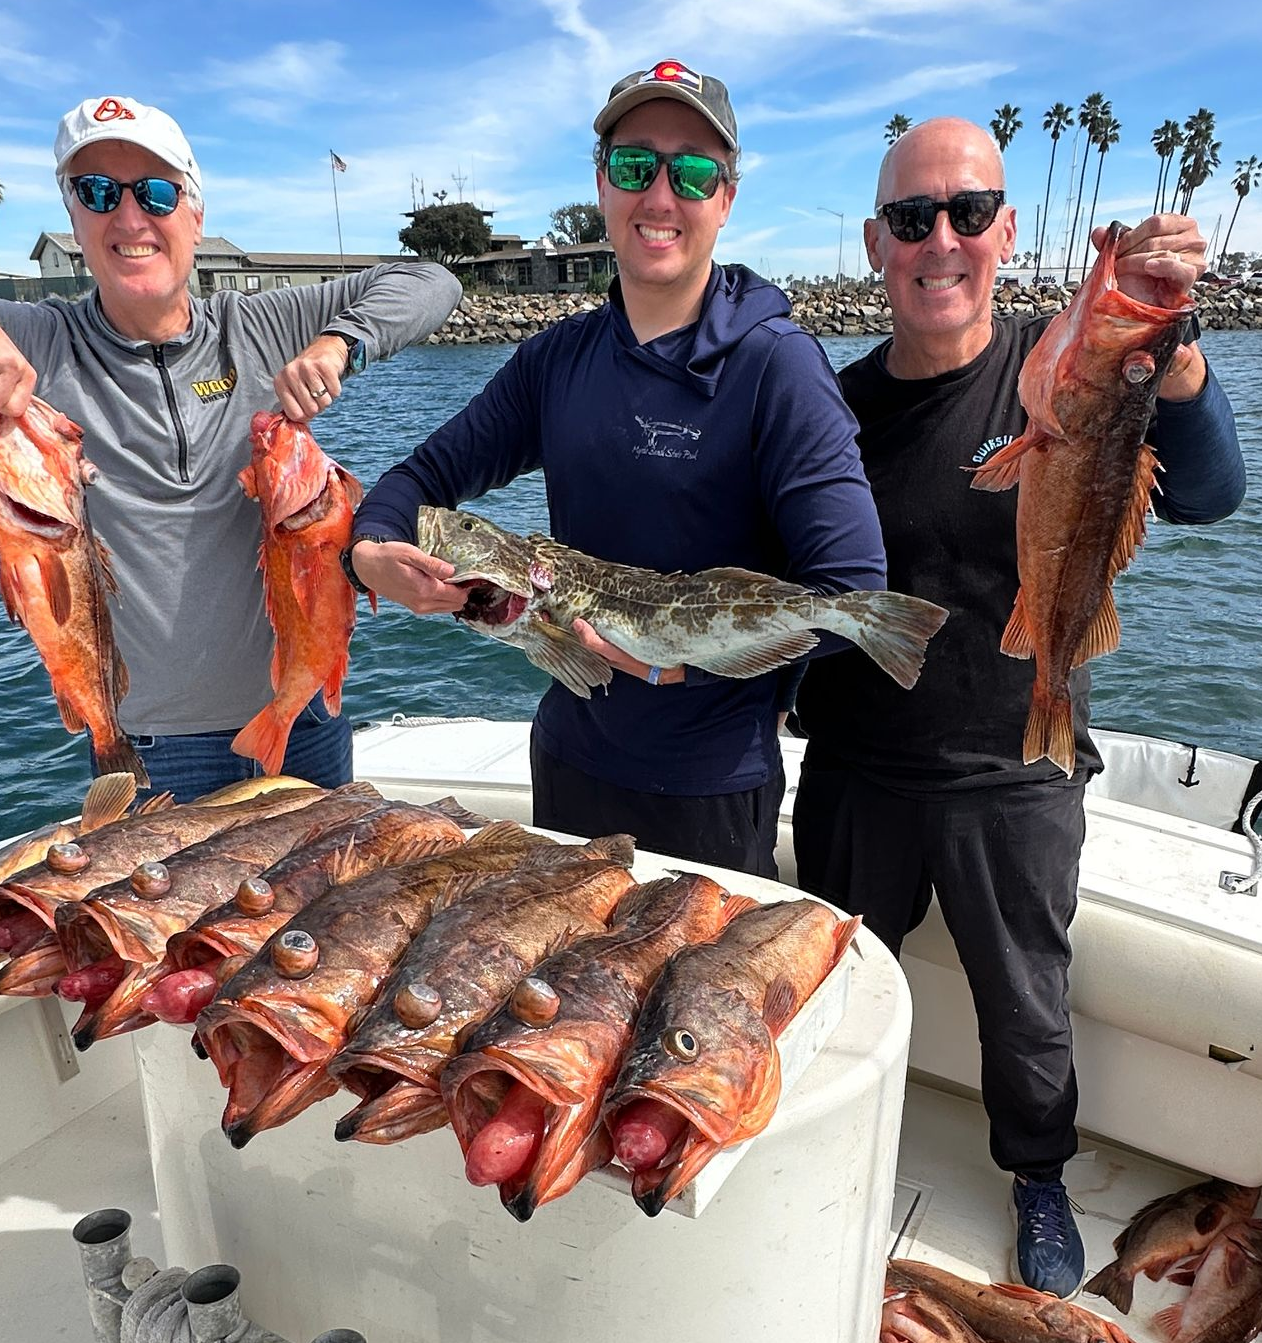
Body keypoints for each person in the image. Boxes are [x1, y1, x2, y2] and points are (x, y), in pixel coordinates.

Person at [790, 118, 1246, 1296]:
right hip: (858, 761)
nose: (941, 239)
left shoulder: (1067, 375)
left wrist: (1173, 358)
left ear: (1006, 233)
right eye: (911, 219)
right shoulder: (828, 409)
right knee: (835, 983)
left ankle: (1038, 1177)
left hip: (1017, 764)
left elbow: (1208, 491)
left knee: (1027, 1003)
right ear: (876, 245)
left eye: (968, 212)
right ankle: (820, 1153)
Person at [0, 95, 460, 796]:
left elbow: (431, 280)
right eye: (97, 192)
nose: (129, 217)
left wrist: (341, 345)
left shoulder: (264, 324)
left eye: (155, 192)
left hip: (304, 718)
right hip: (153, 751)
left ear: (195, 213)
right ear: (73, 218)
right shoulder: (28, 343)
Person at [346, 60, 887, 876]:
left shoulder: (777, 368)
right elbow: (419, 480)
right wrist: (371, 556)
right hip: (568, 760)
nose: (661, 196)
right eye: (636, 166)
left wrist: (681, 667)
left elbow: (851, 590)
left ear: (726, 199)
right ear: (602, 184)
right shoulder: (555, 361)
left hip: (710, 789)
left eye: (693, 171)